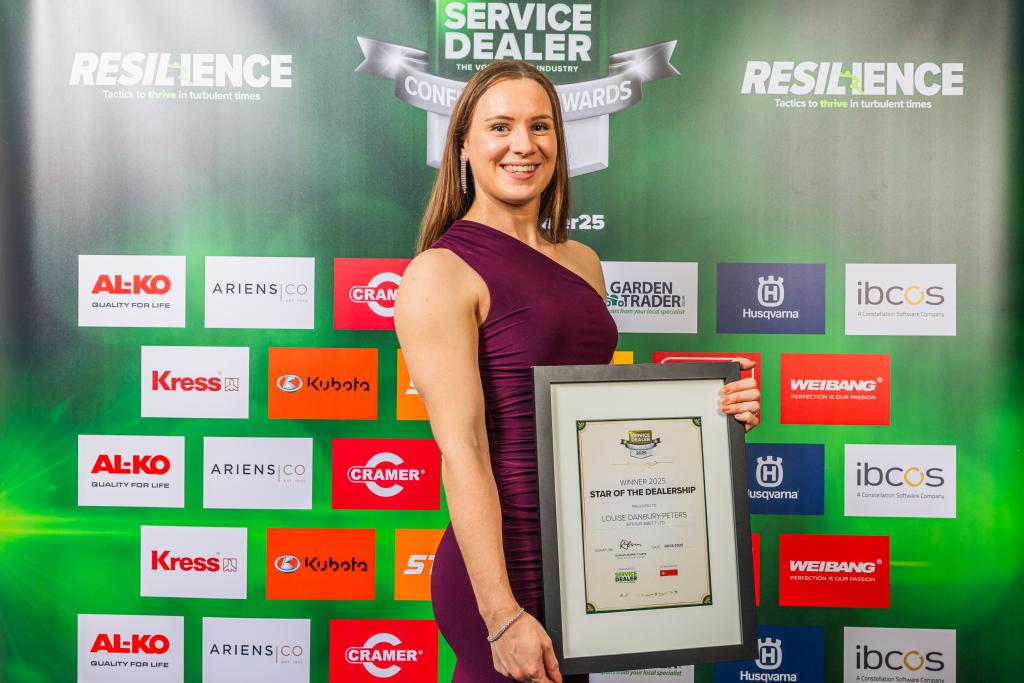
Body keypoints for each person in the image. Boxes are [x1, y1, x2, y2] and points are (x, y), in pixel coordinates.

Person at [394, 60, 761, 683]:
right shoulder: (440, 272)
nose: (523, 144)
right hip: (504, 567)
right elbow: (463, 451)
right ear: (462, 146)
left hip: (591, 557)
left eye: (540, 126)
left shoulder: (582, 260)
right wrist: (501, 614)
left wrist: (714, 422)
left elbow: (597, 424)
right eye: (500, 127)